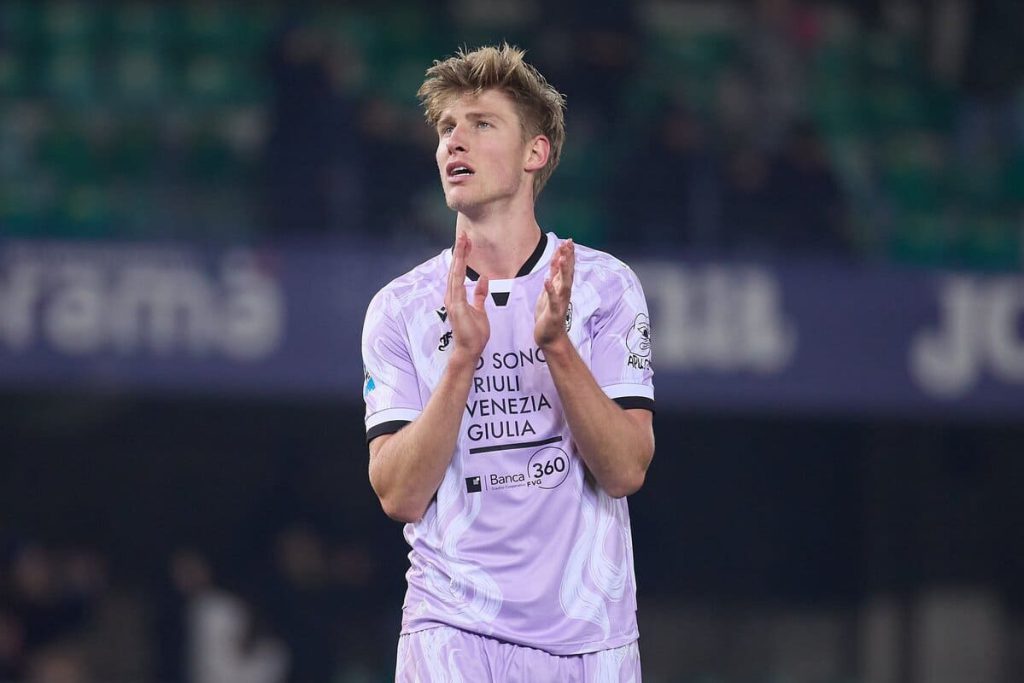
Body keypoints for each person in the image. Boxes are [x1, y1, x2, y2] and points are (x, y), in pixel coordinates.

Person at [360, 44, 655, 682]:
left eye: (481, 124)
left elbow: (626, 469)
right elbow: (399, 495)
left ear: (534, 153)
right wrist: (462, 361)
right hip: (451, 632)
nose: (454, 141)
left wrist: (557, 347)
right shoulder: (400, 307)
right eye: (446, 128)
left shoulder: (604, 288)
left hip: (587, 639)